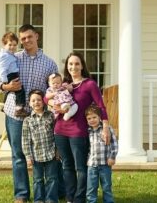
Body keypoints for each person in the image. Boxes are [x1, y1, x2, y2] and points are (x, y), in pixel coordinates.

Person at [0, 24, 58, 203]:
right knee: (18, 154)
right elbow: (0, 82)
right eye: (22, 38)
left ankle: (49, 193)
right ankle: (21, 194)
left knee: (46, 154)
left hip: (39, 117)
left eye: (29, 37)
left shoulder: (49, 63)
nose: (26, 41)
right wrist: (7, 86)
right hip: (14, 114)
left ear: (36, 36)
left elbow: (53, 89)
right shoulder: (12, 58)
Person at [47, 52, 110, 203]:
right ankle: (70, 198)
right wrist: (53, 105)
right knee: (67, 166)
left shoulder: (89, 84)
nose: (73, 67)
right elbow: (46, 98)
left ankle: (79, 198)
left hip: (78, 131)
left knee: (81, 167)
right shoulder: (62, 85)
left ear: (82, 66)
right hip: (60, 130)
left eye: (76, 64)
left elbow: (101, 106)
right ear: (67, 67)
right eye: (70, 64)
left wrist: (106, 128)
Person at [22, 89, 58, 203]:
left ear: (44, 101)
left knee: (52, 178)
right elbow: (25, 140)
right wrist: (28, 156)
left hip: (51, 153)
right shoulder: (27, 120)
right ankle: (39, 199)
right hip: (36, 155)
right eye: (33, 100)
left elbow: (56, 134)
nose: (36, 102)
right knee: (37, 179)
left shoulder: (50, 116)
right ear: (29, 103)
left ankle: (51, 199)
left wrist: (58, 150)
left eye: (38, 99)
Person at [85, 104, 118, 203]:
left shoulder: (107, 129)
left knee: (106, 186)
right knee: (91, 187)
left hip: (105, 164)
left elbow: (114, 144)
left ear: (100, 117)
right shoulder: (88, 131)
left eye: (94, 117)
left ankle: (108, 201)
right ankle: (91, 201)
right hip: (92, 165)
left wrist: (112, 157)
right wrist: (87, 160)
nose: (92, 120)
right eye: (89, 118)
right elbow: (87, 147)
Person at [0, 32, 27, 117]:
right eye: (10, 45)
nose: (12, 47)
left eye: (15, 45)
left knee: (10, 91)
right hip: (11, 75)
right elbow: (2, 69)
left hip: (11, 74)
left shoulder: (9, 55)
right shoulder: (5, 56)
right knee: (20, 90)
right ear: (4, 45)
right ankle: (19, 109)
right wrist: (4, 81)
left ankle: (4, 105)